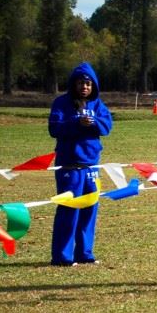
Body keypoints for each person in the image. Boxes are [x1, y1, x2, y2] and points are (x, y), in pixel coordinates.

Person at [47, 62, 113, 266]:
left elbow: (107, 126)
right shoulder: (61, 103)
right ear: (73, 84)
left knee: (89, 209)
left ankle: (85, 253)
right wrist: (76, 123)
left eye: (88, 83)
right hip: (69, 166)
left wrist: (93, 123)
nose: (85, 87)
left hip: (91, 165)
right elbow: (54, 128)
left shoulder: (98, 105)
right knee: (69, 209)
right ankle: (62, 256)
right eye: (81, 83)